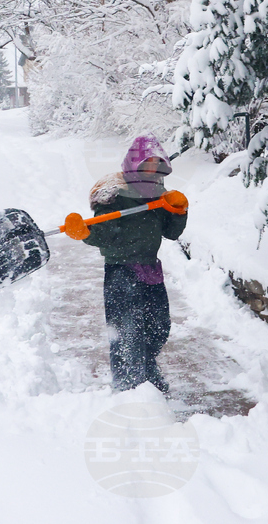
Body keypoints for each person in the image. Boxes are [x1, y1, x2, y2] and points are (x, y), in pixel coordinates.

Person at [64, 135, 188, 393]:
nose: (152, 169)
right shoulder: (114, 196)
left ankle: (147, 371)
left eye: (156, 163)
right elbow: (105, 234)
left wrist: (178, 211)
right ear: (134, 163)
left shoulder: (159, 194)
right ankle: (129, 389)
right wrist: (86, 232)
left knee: (158, 328)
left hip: (151, 269)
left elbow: (171, 233)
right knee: (126, 335)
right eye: (147, 163)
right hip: (121, 271)